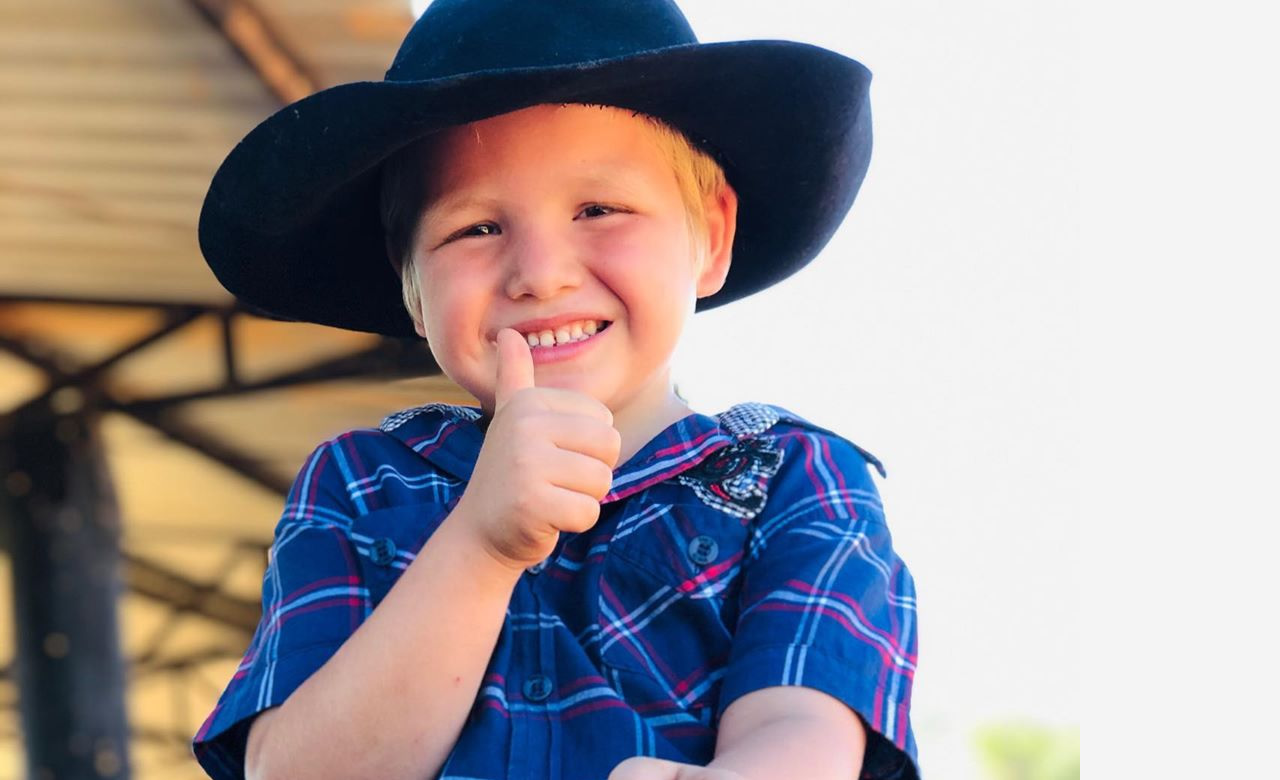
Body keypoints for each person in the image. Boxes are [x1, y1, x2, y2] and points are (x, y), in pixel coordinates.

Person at [190, 1, 919, 778]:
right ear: (412, 287)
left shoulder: (798, 481)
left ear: (710, 236)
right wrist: (481, 544)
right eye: (476, 228)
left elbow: (804, 730)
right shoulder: (360, 485)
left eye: (599, 209)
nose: (540, 274)